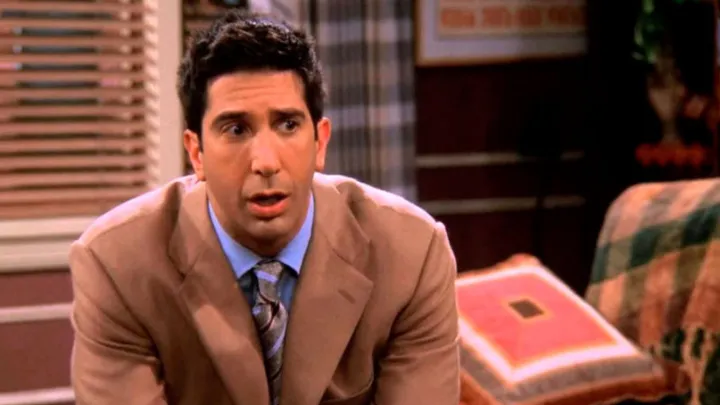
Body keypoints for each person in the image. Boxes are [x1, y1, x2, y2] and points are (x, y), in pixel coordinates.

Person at [68, 9, 459, 405]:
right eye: (236, 129)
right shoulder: (118, 265)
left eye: (288, 125)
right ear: (196, 153)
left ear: (320, 142)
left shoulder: (411, 254)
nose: (266, 162)